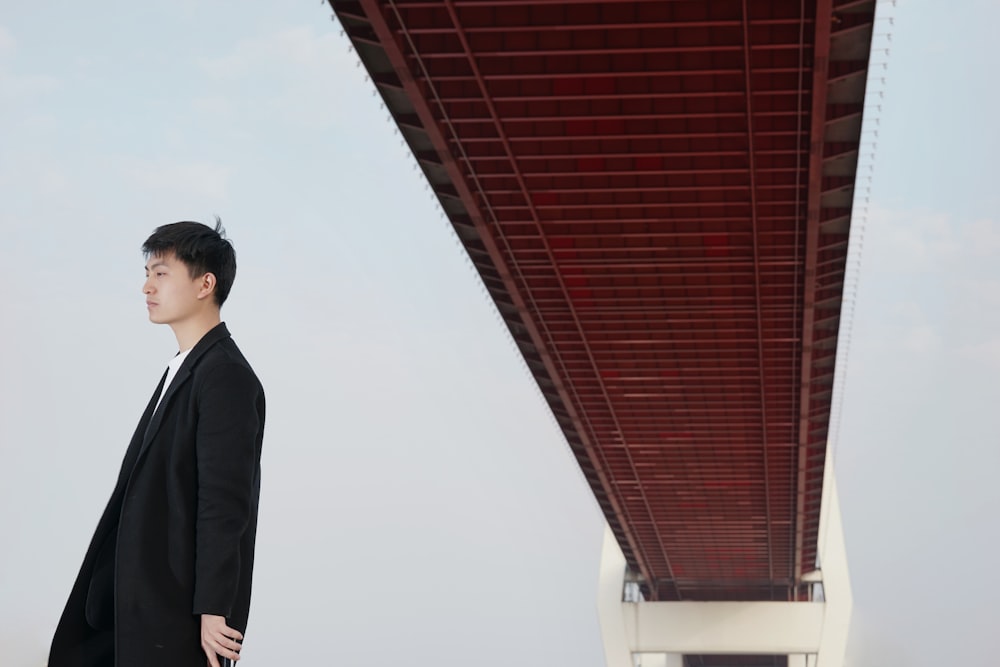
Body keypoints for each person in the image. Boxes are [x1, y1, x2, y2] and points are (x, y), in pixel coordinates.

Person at [49, 220, 265, 667]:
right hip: (128, 602)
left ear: (206, 283)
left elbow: (225, 503)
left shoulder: (225, 375)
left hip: (175, 613)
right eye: (147, 273)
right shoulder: (183, 368)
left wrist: (214, 609)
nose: (147, 286)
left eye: (161, 273)